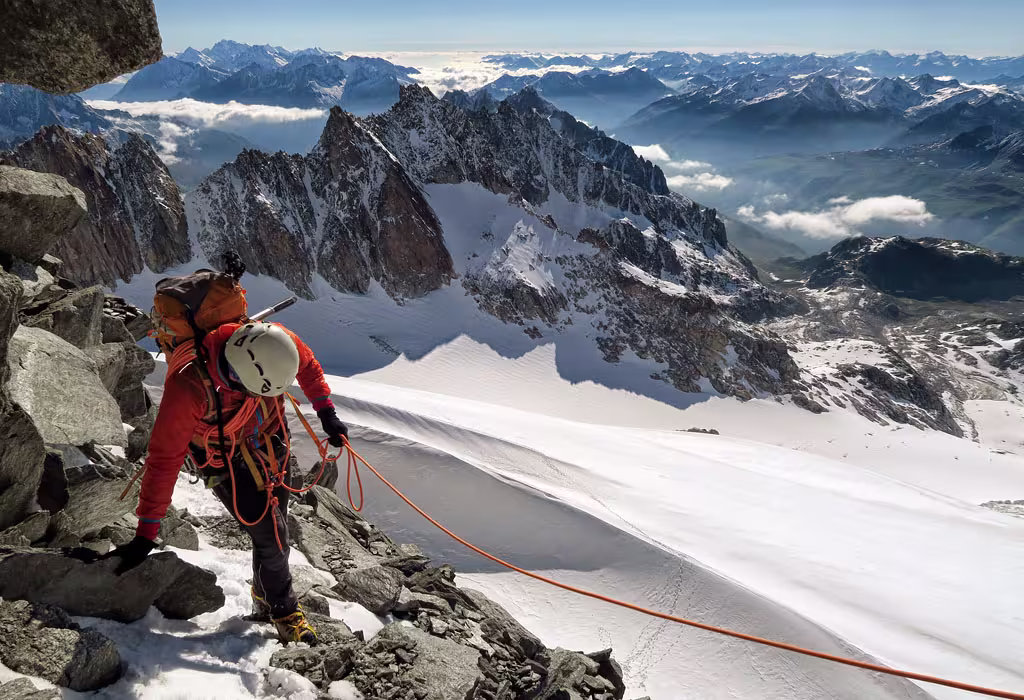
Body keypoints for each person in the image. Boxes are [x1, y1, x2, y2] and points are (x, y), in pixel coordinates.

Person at [103, 321, 349, 645]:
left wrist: (326, 411)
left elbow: (307, 364)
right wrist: (147, 532)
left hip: (270, 439)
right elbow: (163, 461)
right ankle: (284, 611)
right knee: (273, 536)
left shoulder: (272, 340)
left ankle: (264, 595)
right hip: (226, 460)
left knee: (277, 528)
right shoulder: (189, 387)